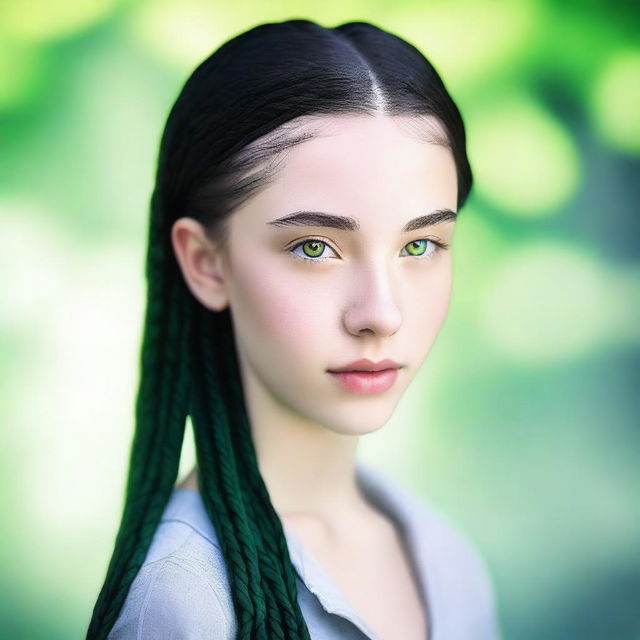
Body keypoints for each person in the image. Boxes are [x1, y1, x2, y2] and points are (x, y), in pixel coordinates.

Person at [86, 18, 502, 640]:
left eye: (420, 245)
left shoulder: (444, 554)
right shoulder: (184, 600)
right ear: (206, 262)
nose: (381, 314)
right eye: (314, 247)